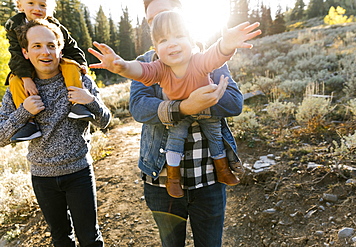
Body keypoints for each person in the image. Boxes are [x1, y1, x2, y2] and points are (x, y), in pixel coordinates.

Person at [89, 11, 261, 198]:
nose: (172, 43)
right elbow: (140, 71)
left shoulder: (199, 61)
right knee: (175, 140)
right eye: (163, 40)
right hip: (178, 113)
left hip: (205, 111)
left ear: (192, 40)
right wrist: (121, 66)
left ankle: (223, 170)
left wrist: (226, 45)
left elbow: (216, 55)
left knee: (215, 135)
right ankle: (173, 179)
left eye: (179, 36)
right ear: (155, 48)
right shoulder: (159, 69)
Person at [0, 19, 111, 246]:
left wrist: (91, 102)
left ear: (60, 50)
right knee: (61, 239)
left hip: (79, 173)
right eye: (37, 46)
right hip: (43, 178)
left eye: (51, 45)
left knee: (90, 239)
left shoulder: (79, 80)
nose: (45, 52)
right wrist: (23, 112)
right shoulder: (17, 90)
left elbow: (106, 122)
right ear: (26, 52)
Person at [4, 0, 94, 143]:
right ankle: (29, 123)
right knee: (15, 80)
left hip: (56, 64)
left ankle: (78, 105)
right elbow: (16, 55)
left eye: (43, 5)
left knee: (71, 66)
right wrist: (26, 78)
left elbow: (71, 47)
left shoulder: (55, 25)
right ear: (20, 6)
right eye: (31, 3)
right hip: (27, 67)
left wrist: (82, 64)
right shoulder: (14, 27)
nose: (37, 8)